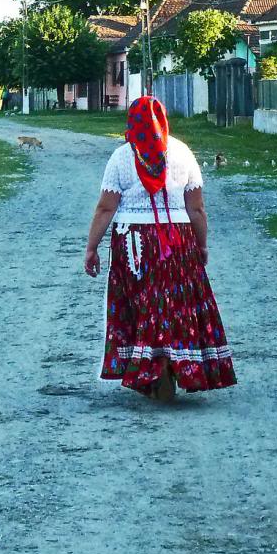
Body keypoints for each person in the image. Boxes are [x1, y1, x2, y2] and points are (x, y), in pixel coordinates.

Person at [83, 96, 237, 401]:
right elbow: (197, 209)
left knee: (141, 305)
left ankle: (148, 368)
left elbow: (105, 209)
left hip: (134, 243)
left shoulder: (122, 157)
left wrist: (91, 248)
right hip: (177, 241)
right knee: (175, 306)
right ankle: (175, 364)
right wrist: (201, 244)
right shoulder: (182, 152)